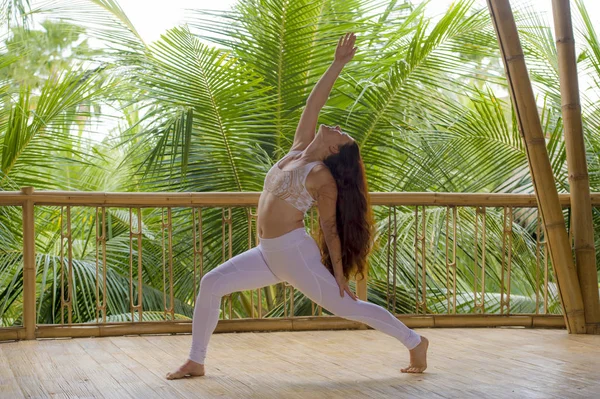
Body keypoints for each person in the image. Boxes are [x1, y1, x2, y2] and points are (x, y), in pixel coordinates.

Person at [166, 32, 429, 380]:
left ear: (335, 151)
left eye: (342, 134)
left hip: (294, 254)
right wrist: (337, 64)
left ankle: (415, 341)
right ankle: (196, 361)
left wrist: (338, 274)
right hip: (267, 252)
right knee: (212, 283)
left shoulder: (321, 177)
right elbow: (313, 104)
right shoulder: (298, 149)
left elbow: (331, 229)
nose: (336, 127)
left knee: (348, 306)